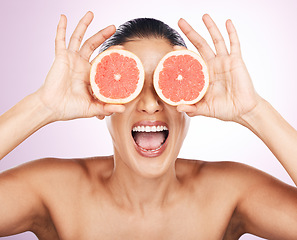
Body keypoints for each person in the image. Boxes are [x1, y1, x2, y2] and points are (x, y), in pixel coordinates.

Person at [0, 11, 296, 240]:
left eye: (166, 84)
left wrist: (254, 111)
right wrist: (42, 106)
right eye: (131, 84)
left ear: (189, 101)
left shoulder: (230, 191)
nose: (151, 104)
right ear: (100, 95)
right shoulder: (53, 190)